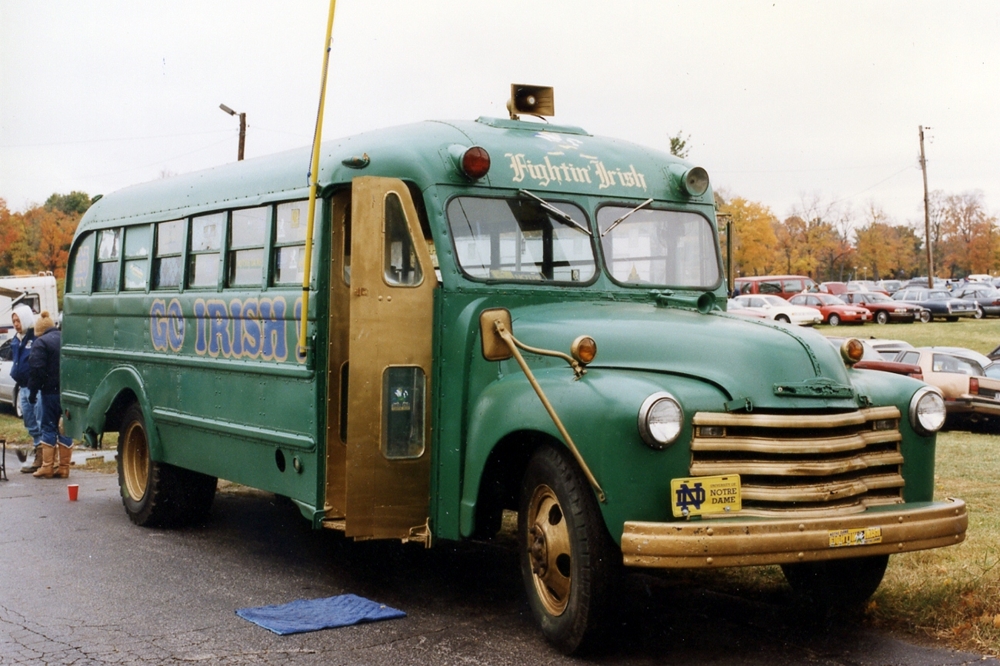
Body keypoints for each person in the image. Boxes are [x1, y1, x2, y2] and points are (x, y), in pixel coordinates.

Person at [27, 311, 74, 479]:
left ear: (39, 330)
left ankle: (47, 467)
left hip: (49, 394)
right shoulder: (66, 338)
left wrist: (32, 393)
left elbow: (36, 370)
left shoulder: (41, 343)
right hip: (68, 393)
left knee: (48, 426)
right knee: (65, 428)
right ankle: (64, 468)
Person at [9, 305, 44, 472]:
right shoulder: (16, 340)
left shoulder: (35, 338)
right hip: (21, 386)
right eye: (14, 321)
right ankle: (38, 449)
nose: (16, 324)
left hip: (34, 386)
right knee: (29, 420)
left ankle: (43, 456)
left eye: (18, 320)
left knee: (39, 419)